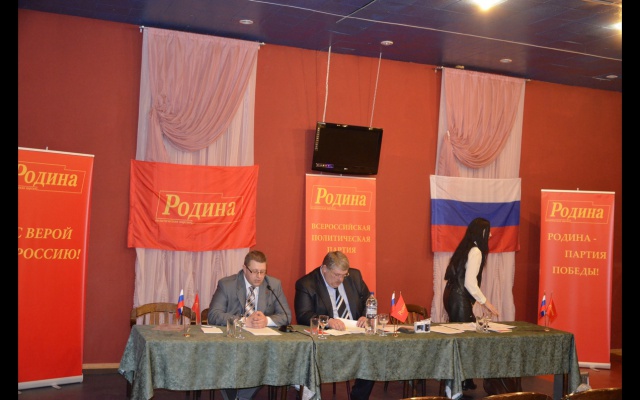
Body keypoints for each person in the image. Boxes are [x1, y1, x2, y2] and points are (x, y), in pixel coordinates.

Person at [208, 250, 292, 400]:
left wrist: (266, 320)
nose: (259, 276)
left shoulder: (273, 285)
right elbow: (213, 315)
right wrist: (244, 321)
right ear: (245, 268)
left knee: (267, 360)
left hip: (260, 346)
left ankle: (241, 396)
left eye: (262, 272)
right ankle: (233, 393)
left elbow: (286, 316)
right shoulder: (227, 284)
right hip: (232, 343)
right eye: (254, 271)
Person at [294, 250, 375, 400]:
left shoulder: (355, 276)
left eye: (344, 275)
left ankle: (359, 397)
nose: (340, 280)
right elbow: (303, 315)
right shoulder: (306, 284)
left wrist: (366, 316)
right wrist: (328, 321)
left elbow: (368, 300)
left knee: (372, 353)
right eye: (336, 275)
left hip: (355, 334)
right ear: (324, 268)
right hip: (327, 339)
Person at [443, 217, 500, 399]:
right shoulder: (476, 251)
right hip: (458, 297)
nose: (490, 235)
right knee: (464, 342)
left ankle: (461, 382)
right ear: (481, 233)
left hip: (451, 295)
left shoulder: (466, 247)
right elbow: (469, 283)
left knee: (460, 341)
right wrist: (486, 303)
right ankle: (453, 386)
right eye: (488, 231)